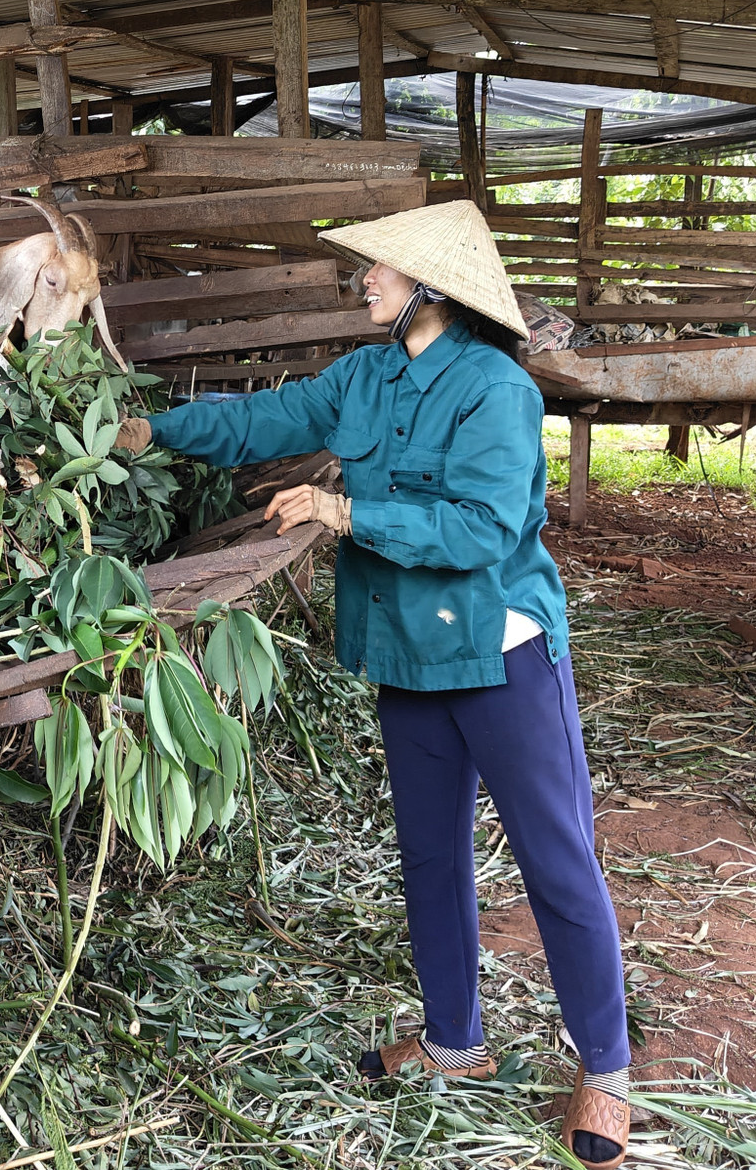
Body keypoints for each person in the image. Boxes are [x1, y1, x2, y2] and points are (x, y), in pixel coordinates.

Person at [115, 200, 632, 1169]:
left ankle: (603, 1071)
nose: (362, 280)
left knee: (555, 861)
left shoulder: (493, 390)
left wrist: (343, 513)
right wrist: (152, 430)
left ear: (430, 290)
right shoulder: (363, 374)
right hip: (402, 651)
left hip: (500, 651)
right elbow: (260, 418)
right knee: (427, 859)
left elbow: (482, 530)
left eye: (379, 271)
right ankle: (453, 1045)